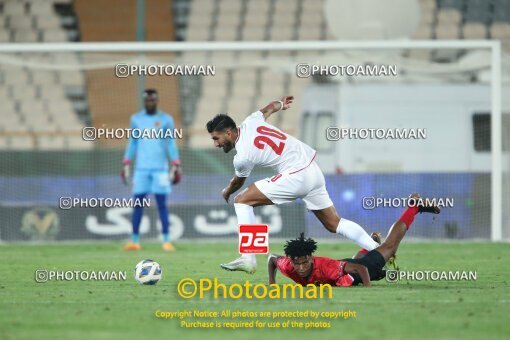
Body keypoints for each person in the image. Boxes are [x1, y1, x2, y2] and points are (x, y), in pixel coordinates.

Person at [206, 96, 379, 273]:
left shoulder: (242, 156)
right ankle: (377, 250)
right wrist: (281, 104)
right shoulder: (251, 121)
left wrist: (227, 191)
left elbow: (238, 181)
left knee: (241, 201)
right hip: (313, 170)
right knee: (334, 224)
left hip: (297, 175)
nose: (216, 144)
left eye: (216, 138)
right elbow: (268, 108)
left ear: (228, 133)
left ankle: (248, 258)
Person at [268, 194, 440, 287]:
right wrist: (271, 282)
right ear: (290, 261)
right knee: (350, 272)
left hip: (363, 268)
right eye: (296, 264)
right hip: (346, 267)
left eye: (304, 262)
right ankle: (370, 245)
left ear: (311, 258)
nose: (301, 267)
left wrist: (368, 287)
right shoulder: (287, 265)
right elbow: (271, 259)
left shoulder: (325, 267)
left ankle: (414, 206)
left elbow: (361, 268)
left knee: (390, 247)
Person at [121, 89, 181, 251]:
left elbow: (170, 142)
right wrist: (126, 162)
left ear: (157, 101)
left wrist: (176, 163)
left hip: (160, 170)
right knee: (138, 204)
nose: (150, 103)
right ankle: (134, 241)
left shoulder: (166, 119)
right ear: (144, 101)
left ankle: (166, 240)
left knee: (162, 205)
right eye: (147, 100)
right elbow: (132, 142)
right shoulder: (136, 119)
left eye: (152, 100)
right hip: (141, 170)